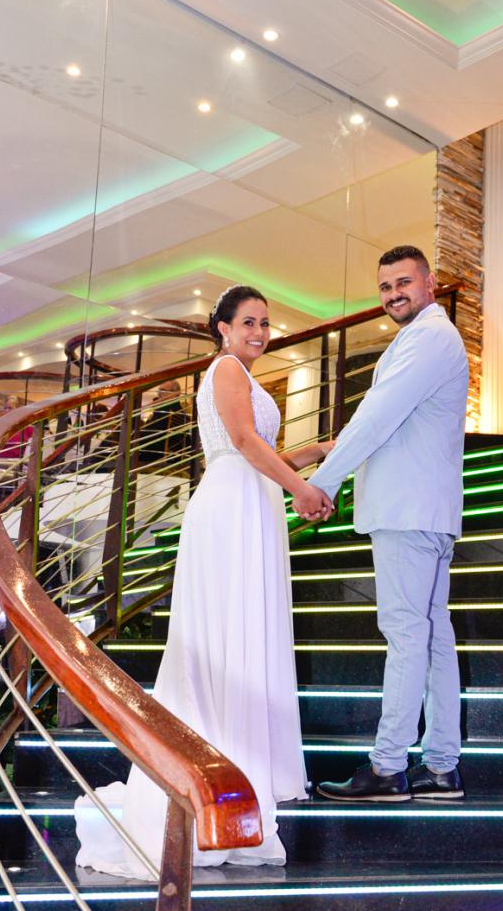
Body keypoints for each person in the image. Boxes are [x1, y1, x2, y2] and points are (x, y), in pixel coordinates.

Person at [75, 285, 334, 875]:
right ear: (223, 328)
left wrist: (316, 450)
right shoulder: (226, 368)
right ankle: (217, 769)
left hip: (251, 501)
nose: (259, 332)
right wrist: (300, 489)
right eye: (248, 322)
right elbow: (241, 443)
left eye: (265, 323)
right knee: (225, 636)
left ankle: (239, 768)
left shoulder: (243, 376)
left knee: (244, 633)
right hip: (231, 508)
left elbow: (257, 452)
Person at [301, 245, 468, 802]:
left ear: (430, 283)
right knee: (432, 638)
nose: (394, 294)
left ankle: (389, 765)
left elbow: (376, 417)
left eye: (404, 282)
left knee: (407, 636)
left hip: (408, 513)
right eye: (385, 286)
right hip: (426, 513)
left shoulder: (428, 337)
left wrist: (324, 482)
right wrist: (331, 458)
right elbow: (391, 423)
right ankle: (440, 767)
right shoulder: (427, 337)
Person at [137, 379, 190, 468]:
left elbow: (151, 436)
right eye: (159, 391)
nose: (159, 394)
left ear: (176, 393)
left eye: (163, 391)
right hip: (172, 459)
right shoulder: (181, 413)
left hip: (156, 459)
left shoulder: (165, 411)